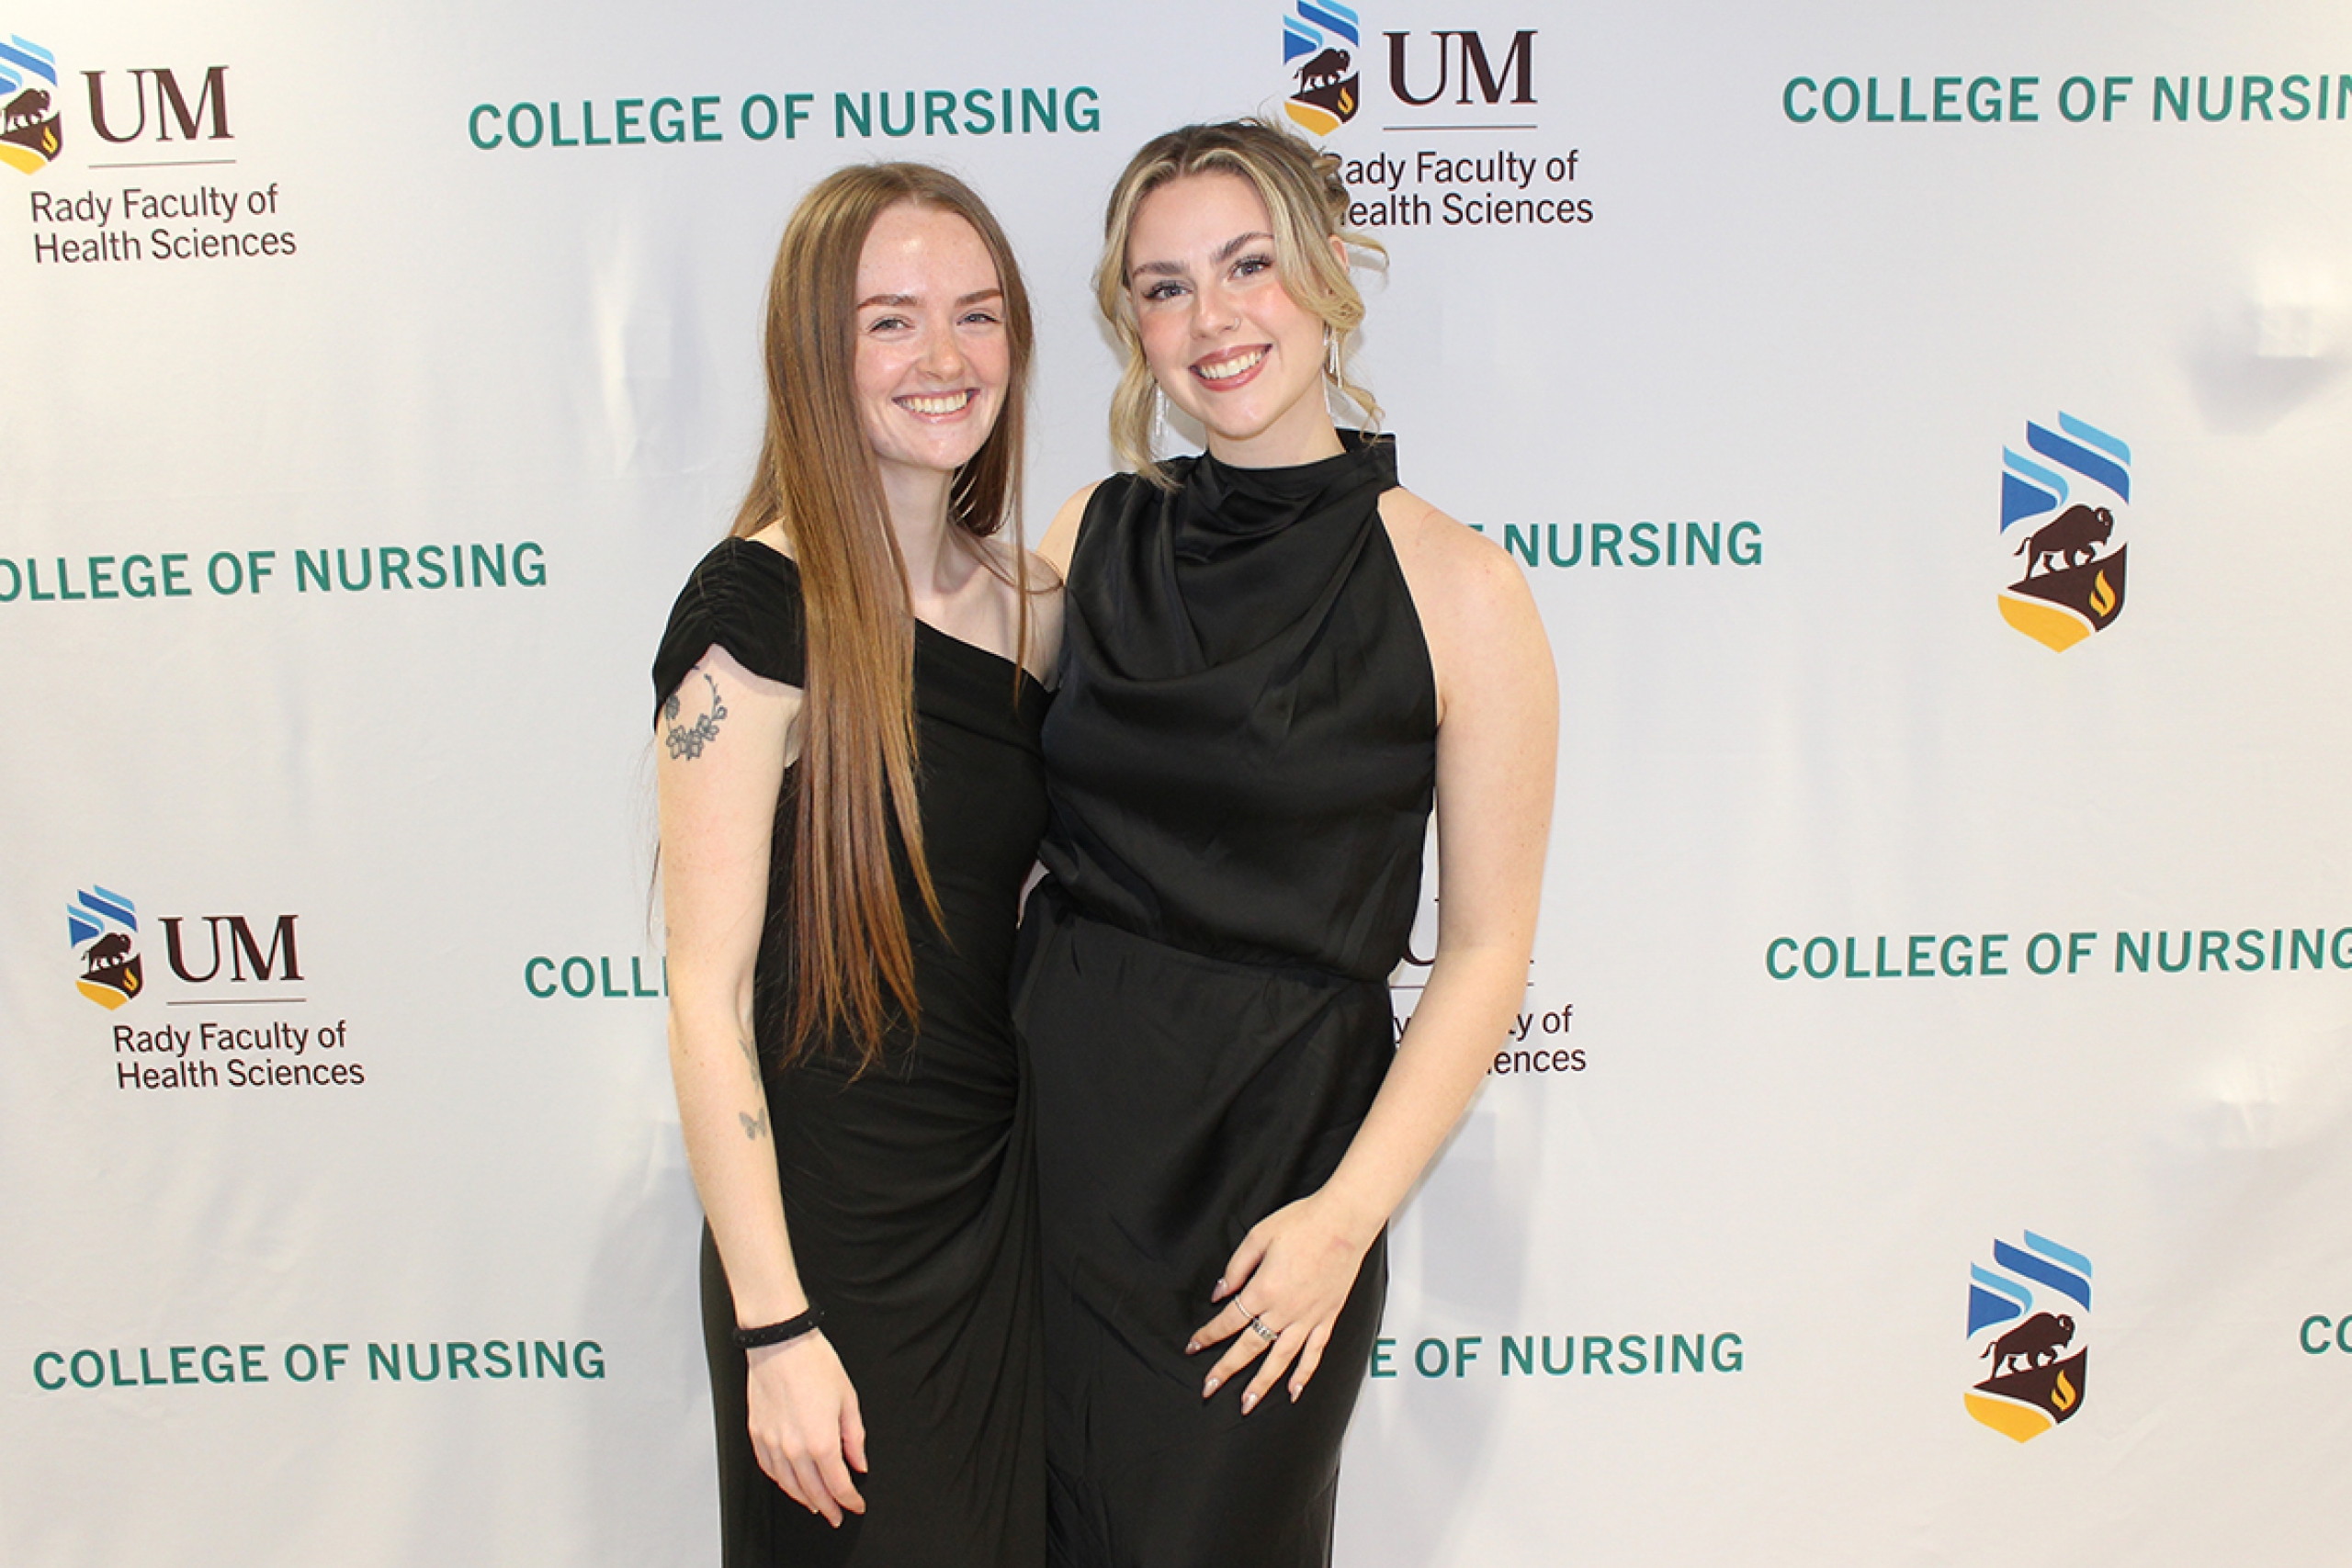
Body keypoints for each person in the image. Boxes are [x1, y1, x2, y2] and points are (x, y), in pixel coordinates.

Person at [1012, 119, 1558, 1566]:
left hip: (1277, 1184)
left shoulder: (1460, 586)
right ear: (1131, 326)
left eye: (1247, 265)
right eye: (1166, 285)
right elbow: (952, 785)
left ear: (1322, 279)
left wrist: (1343, 1222)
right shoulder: (1092, 532)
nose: (1213, 318)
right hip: (1045, 1152)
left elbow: (1489, 949)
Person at [652, 162, 1058, 1567]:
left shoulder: (1033, 611)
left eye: (978, 314)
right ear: (814, 352)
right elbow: (703, 1000)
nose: (945, 360)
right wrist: (778, 1328)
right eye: (891, 321)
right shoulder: (751, 615)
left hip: (1005, 1221)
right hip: (832, 1253)